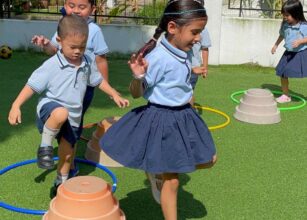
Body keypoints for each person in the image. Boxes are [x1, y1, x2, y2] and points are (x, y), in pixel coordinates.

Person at [99, 1, 217, 219]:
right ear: (172, 28)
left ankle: (158, 170)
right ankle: (163, 179)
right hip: (163, 119)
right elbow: (136, 93)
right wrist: (138, 76)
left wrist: (190, 82)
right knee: (172, 180)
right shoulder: (158, 57)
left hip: (183, 116)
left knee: (209, 159)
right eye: (195, 32)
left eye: (200, 32)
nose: (199, 38)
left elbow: (174, 77)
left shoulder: (180, 51)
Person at [8, 15, 129, 192]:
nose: (78, 51)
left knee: (67, 156)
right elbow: (32, 86)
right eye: (73, 47)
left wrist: (114, 93)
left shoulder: (87, 62)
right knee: (61, 112)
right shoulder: (52, 64)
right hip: (50, 109)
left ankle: (61, 182)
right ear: (59, 40)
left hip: (74, 116)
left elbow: (97, 81)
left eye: (82, 46)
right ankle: (45, 147)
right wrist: (16, 105)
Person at [31, 0, 110, 175]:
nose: (75, 10)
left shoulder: (95, 31)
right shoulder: (64, 25)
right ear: (65, 5)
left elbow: (101, 58)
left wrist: (107, 87)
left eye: (82, 7)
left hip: (82, 87)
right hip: (61, 84)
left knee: (73, 124)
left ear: (92, 9)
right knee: (60, 119)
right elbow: (54, 49)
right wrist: (46, 44)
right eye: (71, 5)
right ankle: (58, 153)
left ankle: (69, 162)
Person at [271, 0, 307, 103]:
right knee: (283, 72)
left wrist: (300, 41)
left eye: (287, 15)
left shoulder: (304, 26)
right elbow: (282, 35)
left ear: (296, 13)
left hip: (301, 53)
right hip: (288, 53)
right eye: (284, 15)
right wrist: (275, 45)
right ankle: (286, 96)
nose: (285, 17)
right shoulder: (285, 25)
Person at [188, 20, 211, 105]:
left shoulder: (204, 30)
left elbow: (205, 48)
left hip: (195, 67)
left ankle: (189, 114)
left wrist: (205, 68)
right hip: (181, 65)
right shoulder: (183, 25)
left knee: (189, 92)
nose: (197, 38)